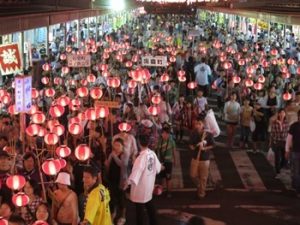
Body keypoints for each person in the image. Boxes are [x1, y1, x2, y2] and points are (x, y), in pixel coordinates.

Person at [125, 134, 162, 225]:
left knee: (140, 210)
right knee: (149, 205)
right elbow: (158, 168)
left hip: (140, 187)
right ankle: (154, 222)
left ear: (139, 143)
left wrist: (127, 183)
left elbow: (136, 174)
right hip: (149, 184)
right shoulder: (152, 153)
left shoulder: (141, 158)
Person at [189, 118, 215, 198]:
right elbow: (190, 144)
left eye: (199, 124)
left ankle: (201, 193)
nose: (198, 126)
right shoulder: (193, 133)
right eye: (197, 124)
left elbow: (213, 145)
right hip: (195, 157)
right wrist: (192, 147)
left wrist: (205, 148)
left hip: (204, 158)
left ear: (203, 125)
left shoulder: (207, 134)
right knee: (193, 175)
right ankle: (199, 185)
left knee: (203, 177)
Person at [106, 138, 126, 225]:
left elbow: (122, 164)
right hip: (112, 180)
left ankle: (122, 217)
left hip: (121, 181)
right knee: (112, 199)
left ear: (122, 146)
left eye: (118, 145)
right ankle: (112, 216)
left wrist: (114, 156)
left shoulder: (124, 154)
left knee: (121, 200)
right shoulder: (112, 154)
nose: (116, 147)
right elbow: (108, 164)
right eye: (115, 145)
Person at [156, 126, 176, 197]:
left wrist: (175, 161)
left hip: (169, 162)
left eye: (166, 133)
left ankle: (169, 192)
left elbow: (174, 152)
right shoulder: (159, 141)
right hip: (161, 162)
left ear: (168, 134)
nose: (164, 135)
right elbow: (157, 151)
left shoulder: (172, 142)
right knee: (161, 177)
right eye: (163, 133)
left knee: (168, 177)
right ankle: (160, 191)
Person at [270, 109, 289, 178]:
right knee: (277, 157)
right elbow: (272, 133)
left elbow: (288, 133)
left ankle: (281, 167)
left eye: (283, 113)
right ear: (278, 114)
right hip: (277, 141)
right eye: (280, 113)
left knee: (284, 157)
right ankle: (277, 171)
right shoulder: (274, 122)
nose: (282, 114)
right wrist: (272, 142)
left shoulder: (286, 123)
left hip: (284, 142)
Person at [285, 110, 300, 197]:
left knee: (296, 172)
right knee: (296, 172)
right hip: (295, 151)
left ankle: (296, 188)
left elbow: (289, 139)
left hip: (295, 152)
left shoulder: (294, 126)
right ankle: (297, 189)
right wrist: (287, 150)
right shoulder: (294, 126)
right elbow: (289, 139)